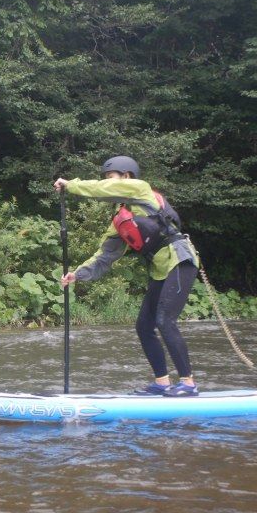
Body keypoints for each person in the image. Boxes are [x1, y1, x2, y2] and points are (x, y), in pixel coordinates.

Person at [54, 156, 200, 396]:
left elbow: (103, 190)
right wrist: (78, 274)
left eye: (111, 177)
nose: (108, 182)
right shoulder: (120, 219)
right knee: (144, 326)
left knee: (165, 321)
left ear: (127, 176)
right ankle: (162, 383)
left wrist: (71, 185)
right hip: (160, 269)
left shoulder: (141, 189)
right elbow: (105, 255)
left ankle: (188, 384)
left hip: (180, 260)